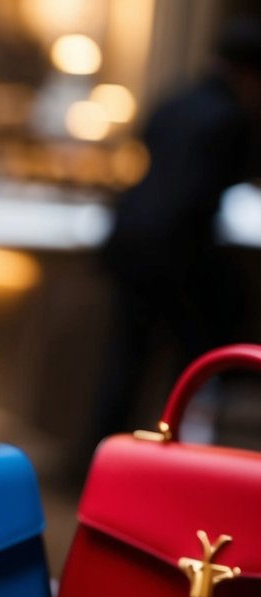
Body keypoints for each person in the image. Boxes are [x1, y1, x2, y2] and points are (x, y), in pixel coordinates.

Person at [83, 13, 261, 459]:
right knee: (190, 366)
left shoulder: (174, 100)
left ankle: (100, 459)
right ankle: (176, 460)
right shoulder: (231, 117)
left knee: (126, 360)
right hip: (178, 255)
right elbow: (208, 194)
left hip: (130, 243)